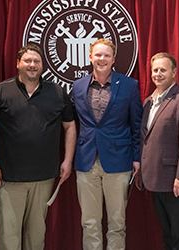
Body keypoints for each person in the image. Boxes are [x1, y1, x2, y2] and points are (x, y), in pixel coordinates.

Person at [0, 43, 76, 250]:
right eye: (27, 61)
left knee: (36, 236)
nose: (32, 65)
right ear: (18, 64)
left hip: (44, 177)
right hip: (9, 176)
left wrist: (68, 160)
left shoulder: (57, 92)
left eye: (36, 61)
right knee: (9, 237)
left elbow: (69, 126)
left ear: (43, 66)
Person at [72, 38, 143, 250]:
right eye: (98, 55)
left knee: (117, 223)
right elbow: (74, 124)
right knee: (89, 223)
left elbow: (136, 124)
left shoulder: (130, 85)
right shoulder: (78, 86)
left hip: (118, 161)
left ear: (113, 59)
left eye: (106, 55)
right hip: (86, 162)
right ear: (90, 57)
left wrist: (137, 158)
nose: (102, 59)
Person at [137, 52, 179, 250]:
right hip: (156, 181)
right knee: (168, 235)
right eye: (155, 70)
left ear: (174, 73)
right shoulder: (149, 102)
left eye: (163, 70)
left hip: (177, 183)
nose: (158, 74)